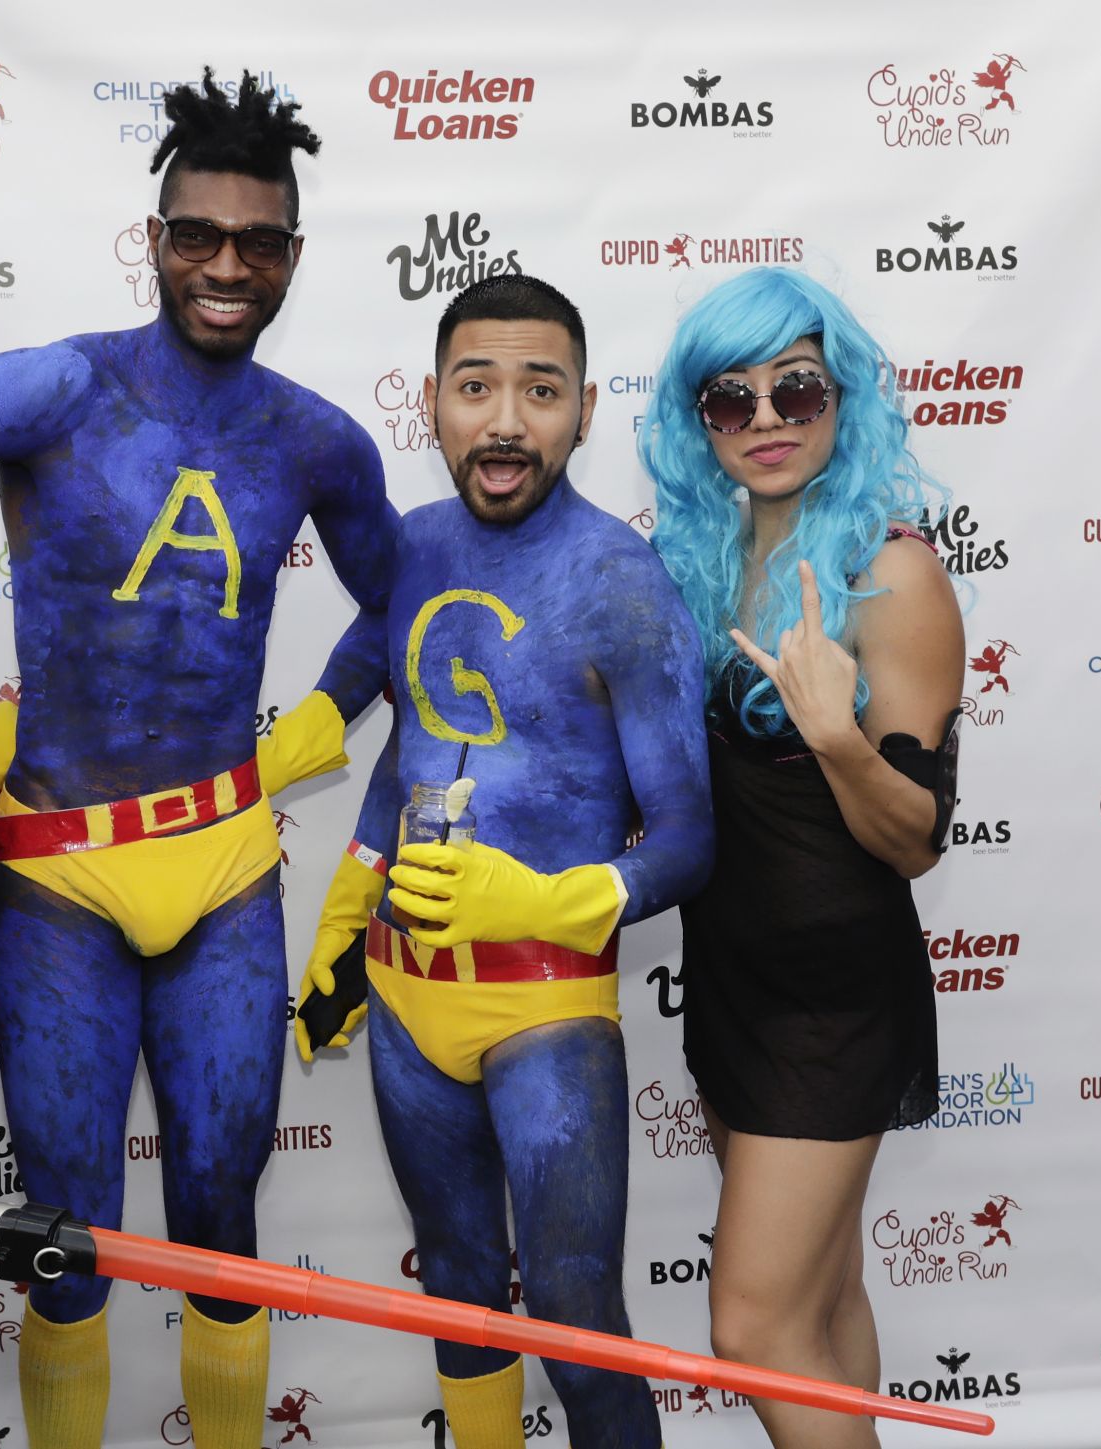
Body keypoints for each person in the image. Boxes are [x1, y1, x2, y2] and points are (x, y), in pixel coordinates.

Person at [0, 69, 396, 1449]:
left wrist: (320, 725)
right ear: (153, 238)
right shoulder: (58, 386)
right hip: (57, 876)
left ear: (291, 259)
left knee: (220, 1211)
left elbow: (414, 608)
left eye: (256, 243)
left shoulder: (318, 437)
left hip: (221, 868)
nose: (226, 265)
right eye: (198, 234)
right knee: (60, 1228)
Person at [297, 275, 713, 1449]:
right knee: (462, 1291)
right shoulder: (407, 551)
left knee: (578, 1318)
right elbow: (406, 740)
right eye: (475, 387)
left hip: (542, 1010)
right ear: (428, 403)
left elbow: (687, 840)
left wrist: (549, 899)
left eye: (539, 391)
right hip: (400, 997)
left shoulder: (620, 586)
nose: (504, 420)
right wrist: (350, 895)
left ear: (583, 413)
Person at [640, 266, 963, 1449]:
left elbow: (914, 842)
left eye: (797, 389)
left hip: (830, 1003)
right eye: (731, 399)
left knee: (754, 1327)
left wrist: (833, 734)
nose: (767, 419)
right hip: (729, 981)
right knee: (819, 1302)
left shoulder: (891, 572)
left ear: (841, 400)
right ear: (695, 420)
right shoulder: (690, 561)